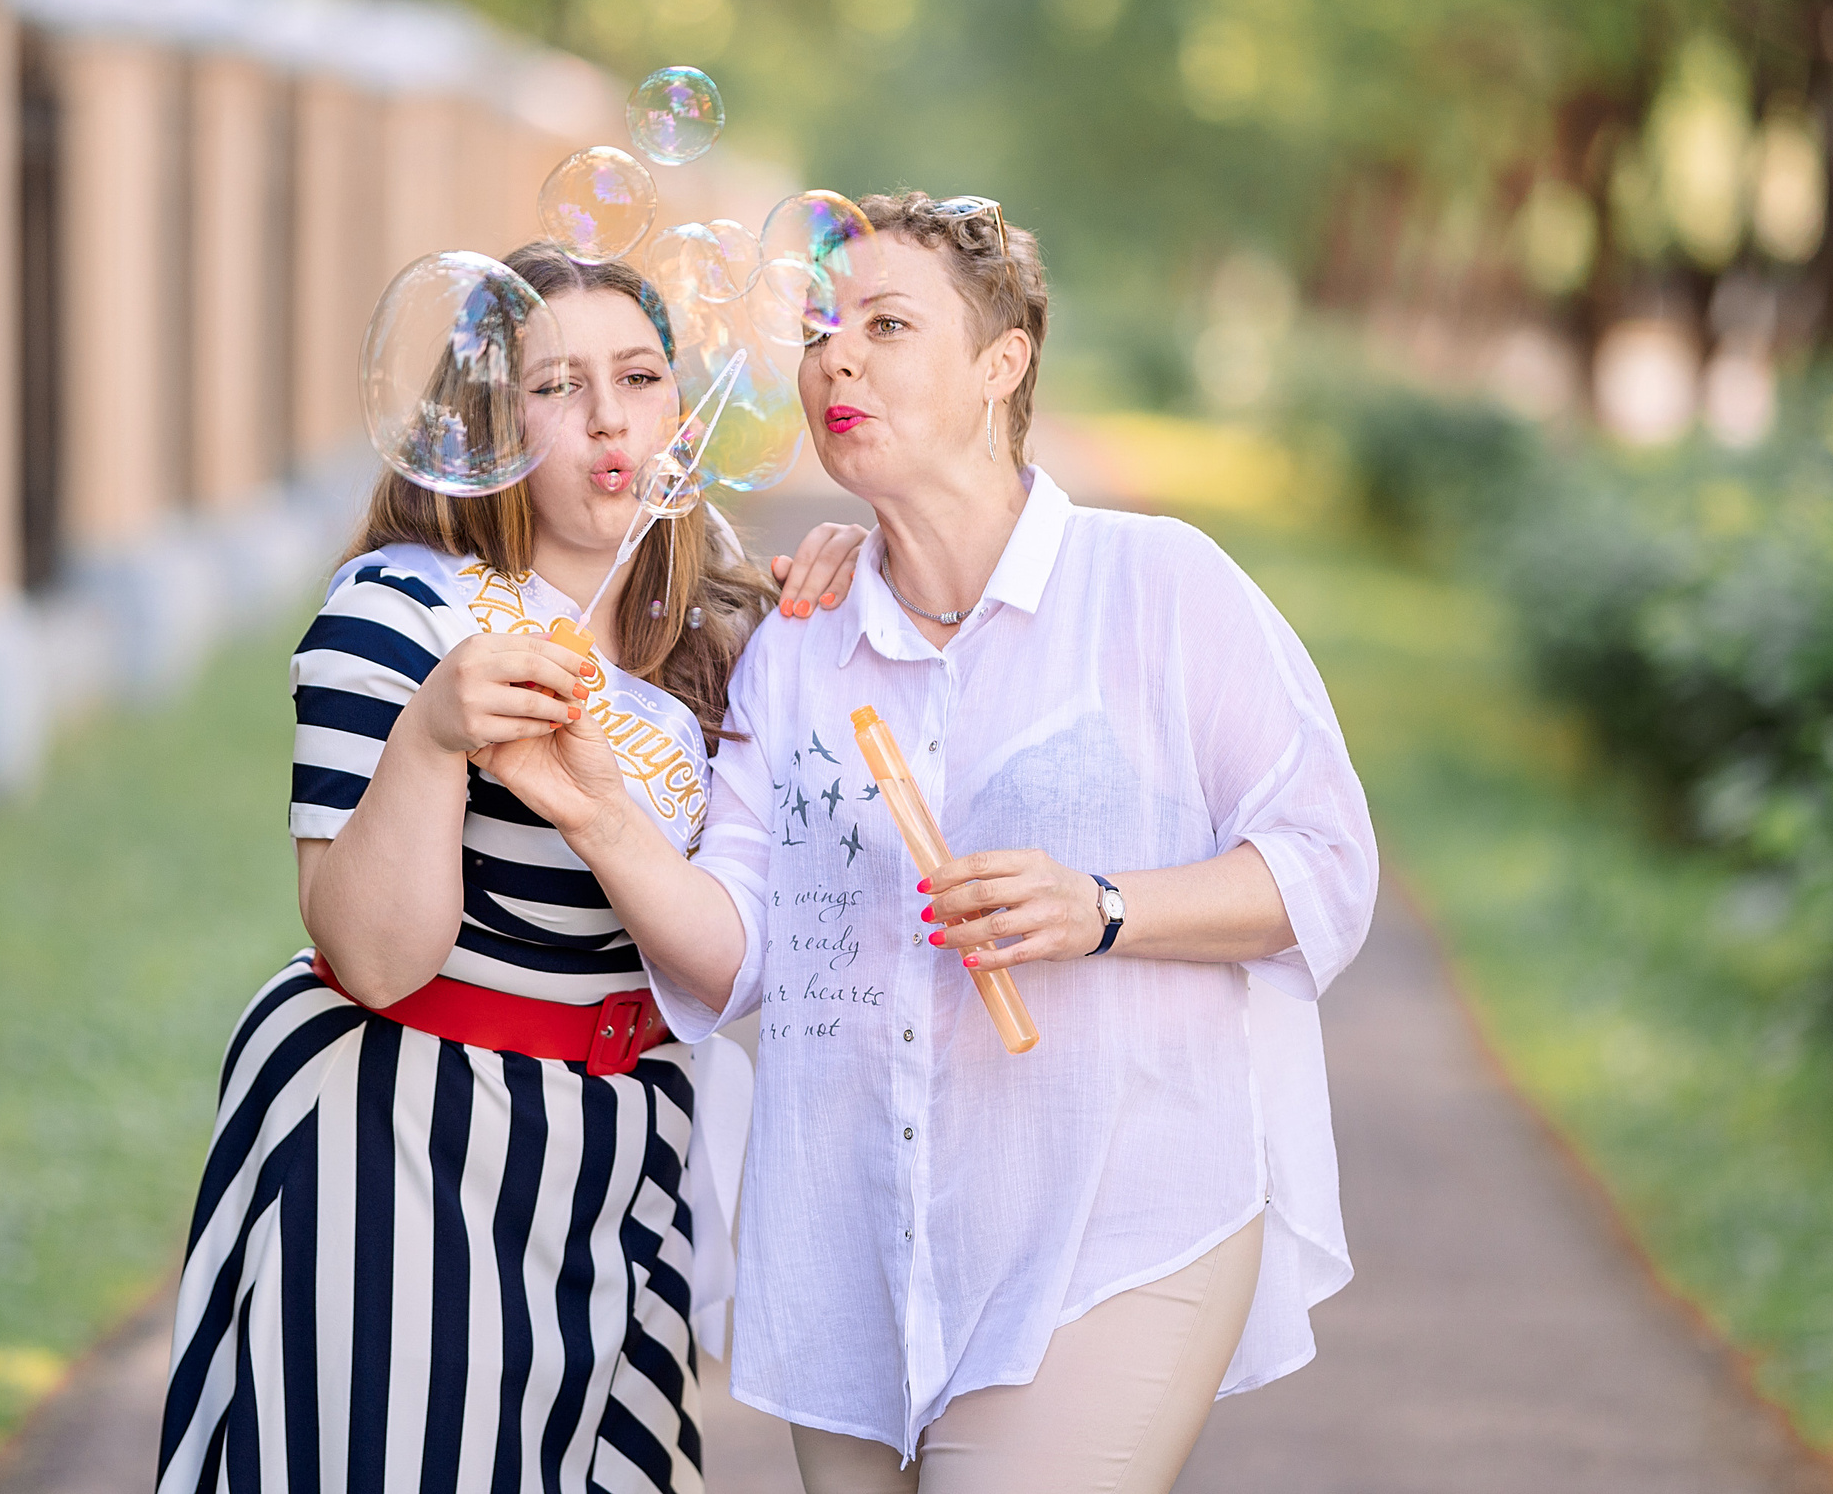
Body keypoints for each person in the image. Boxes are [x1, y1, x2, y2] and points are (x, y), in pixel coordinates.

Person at [486, 195, 1379, 1493]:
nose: (835, 357)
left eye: (887, 325)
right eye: (818, 330)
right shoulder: (799, 640)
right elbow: (735, 954)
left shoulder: (1162, 586)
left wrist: (1104, 906)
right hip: (854, 1253)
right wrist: (594, 807)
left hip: (1109, 1219)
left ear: (1000, 364)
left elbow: (1324, 864)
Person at [156, 240, 864, 1494]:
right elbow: (371, 957)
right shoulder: (403, 611)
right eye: (556, 384)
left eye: (640, 376)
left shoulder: (727, 637)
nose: (607, 416)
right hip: (407, 1138)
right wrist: (432, 735)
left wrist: (856, 593)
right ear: (486, 421)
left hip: (622, 1152)